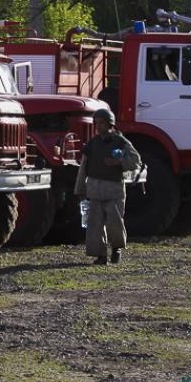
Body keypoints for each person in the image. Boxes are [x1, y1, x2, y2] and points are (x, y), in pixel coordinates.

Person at [74, 108, 142, 265]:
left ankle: (116, 249)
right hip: (95, 189)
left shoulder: (121, 142)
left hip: (114, 189)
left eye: (101, 123)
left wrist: (119, 162)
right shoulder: (92, 144)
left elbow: (135, 161)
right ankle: (100, 255)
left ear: (110, 124)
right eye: (96, 123)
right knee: (95, 225)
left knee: (115, 223)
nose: (98, 126)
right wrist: (80, 189)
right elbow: (83, 167)